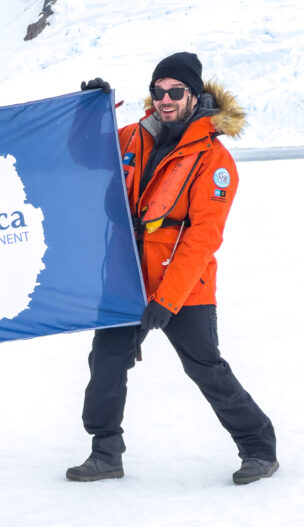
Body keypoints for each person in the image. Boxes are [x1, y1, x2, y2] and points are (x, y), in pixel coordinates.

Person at [67, 53, 278, 485]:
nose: (164, 99)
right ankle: (105, 453)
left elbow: (202, 237)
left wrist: (166, 298)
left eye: (175, 91)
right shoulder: (132, 138)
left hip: (183, 285)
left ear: (193, 96)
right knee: (106, 362)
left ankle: (259, 448)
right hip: (126, 278)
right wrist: (85, 112)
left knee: (205, 366)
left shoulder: (214, 160)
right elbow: (84, 155)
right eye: (158, 90)